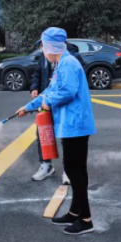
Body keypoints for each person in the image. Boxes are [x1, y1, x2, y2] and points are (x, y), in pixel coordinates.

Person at [17, 27, 97, 235]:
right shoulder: (62, 64)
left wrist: (47, 103)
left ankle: (85, 219)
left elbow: (67, 92)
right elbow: (50, 91)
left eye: (43, 46)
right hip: (72, 124)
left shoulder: (68, 63)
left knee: (74, 171)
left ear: (51, 46)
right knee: (76, 169)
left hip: (75, 125)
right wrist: (29, 106)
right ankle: (74, 211)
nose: (42, 50)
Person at [30, 40, 80, 184]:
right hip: (47, 100)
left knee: (66, 136)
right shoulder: (44, 57)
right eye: (42, 46)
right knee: (43, 133)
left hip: (63, 104)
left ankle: (68, 169)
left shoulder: (71, 58)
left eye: (44, 45)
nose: (42, 49)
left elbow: (70, 88)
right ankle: (46, 165)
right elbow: (37, 74)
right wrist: (34, 88)